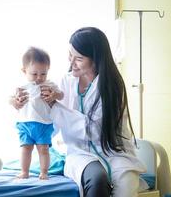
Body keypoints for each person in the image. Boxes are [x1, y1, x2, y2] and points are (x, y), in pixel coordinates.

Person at [11, 27, 146, 197]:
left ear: (96, 60)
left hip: (114, 152)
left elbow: (94, 131)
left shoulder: (112, 87)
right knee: (97, 180)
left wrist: (54, 106)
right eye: (70, 55)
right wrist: (21, 105)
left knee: (126, 188)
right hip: (79, 153)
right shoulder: (65, 82)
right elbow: (48, 123)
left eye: (79, 59)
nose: (71, 62)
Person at [10, 46, 64, 180]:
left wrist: (54, 95)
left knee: (43, 149)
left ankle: (44, 172)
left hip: (43, 124)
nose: (39, 77)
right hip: (25, 123)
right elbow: (10, 99)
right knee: (25, 148)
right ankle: (24, 171)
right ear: (24, 70)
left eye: (43, 73)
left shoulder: (49, 84)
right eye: (34, 74)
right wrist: (14, 101)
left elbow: (61, 95)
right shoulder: (21, 86)